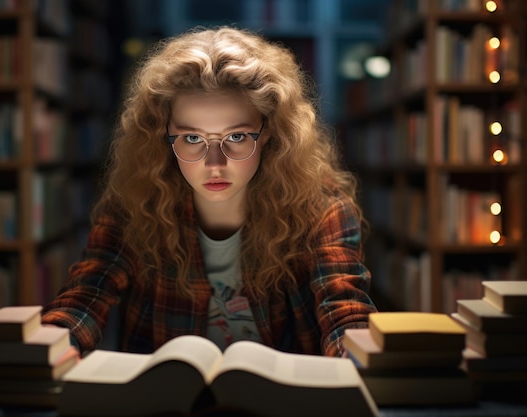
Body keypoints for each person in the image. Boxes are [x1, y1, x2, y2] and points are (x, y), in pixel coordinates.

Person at [41, 26, 377, 357]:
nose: (214, 164)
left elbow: (344, 310)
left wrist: (358, 359)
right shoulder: (134, 203)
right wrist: (55, 342)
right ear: (163, 137)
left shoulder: (321, 208)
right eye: (191, 139)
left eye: (236, 137)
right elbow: (87, 292)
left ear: (270, 135)